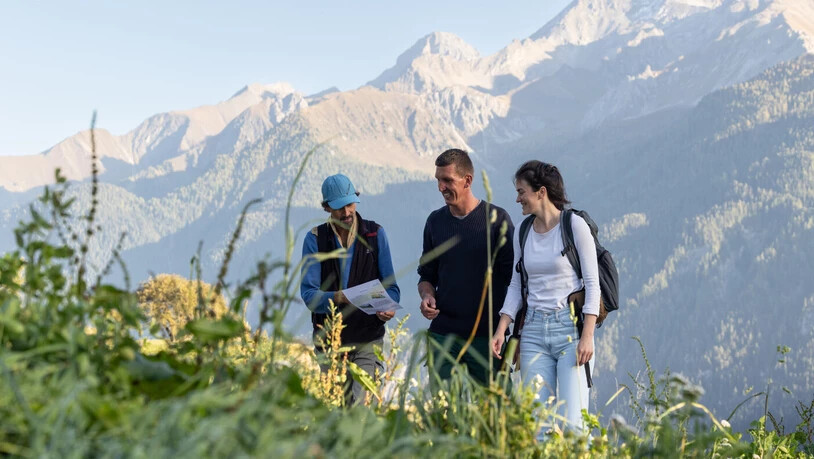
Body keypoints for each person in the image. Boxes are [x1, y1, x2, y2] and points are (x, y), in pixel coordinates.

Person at [490, 160, 599, 436]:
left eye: (521, 192)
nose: (517, 199)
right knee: (537, 427)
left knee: (574, 425)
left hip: (570, 331)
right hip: (533, 333)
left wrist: (588, 335)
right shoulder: (523, 232)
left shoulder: (574, 225)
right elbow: (517, 284)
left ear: (541, 192)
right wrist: (502, 329)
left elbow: (592, 284)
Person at [300, 173, 400, 405]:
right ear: (326, 208)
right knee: (337, 415)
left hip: (368, 340)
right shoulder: (315, 240)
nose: (346, 212)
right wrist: (338, 297)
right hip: (330, 345)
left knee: (361, 410)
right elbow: (309, 295)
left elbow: (391, 289)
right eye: (338, 208)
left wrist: (389, 309)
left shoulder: (375, 235)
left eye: (349, 204)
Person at [418, 148, 514, 385]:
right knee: (443, 413)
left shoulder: (497, 221)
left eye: (447, 180)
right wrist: (427, 296)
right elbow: (426, 276)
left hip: (488, 337)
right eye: (438, 180)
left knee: (496, 411)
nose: (441, 187)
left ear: (467, 180)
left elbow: (515, 282)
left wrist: (508, 331)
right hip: (443, 336)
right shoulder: (435, 222)